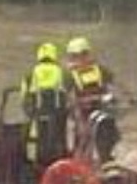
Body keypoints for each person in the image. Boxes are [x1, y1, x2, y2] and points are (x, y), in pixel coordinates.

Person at [65, 36, 121, 164]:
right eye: (76, 56)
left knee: (108, 139)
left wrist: (132, 99)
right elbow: (71, 100)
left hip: (103, 112)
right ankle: (79, 166)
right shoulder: (69, 76)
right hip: (83, 114)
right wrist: (80, 123)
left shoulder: (100, 70)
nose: (81, 60)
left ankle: (106, 163)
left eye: (83, 55)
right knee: (82, 143)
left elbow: (117, 84)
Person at [20, 42, 69, 170]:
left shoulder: (30, 74)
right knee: (59, 139)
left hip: (38, 113)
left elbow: (24, 96)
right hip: (57, 114)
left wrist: (29, 112)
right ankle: (60, 163)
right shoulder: (61, 72)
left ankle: (36, 165)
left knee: (37, 140)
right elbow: (68, 93)